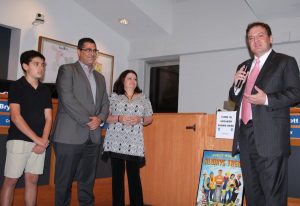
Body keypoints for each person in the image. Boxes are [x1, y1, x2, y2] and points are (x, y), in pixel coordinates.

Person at [229, 22, 300, 206]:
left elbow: (296, 93)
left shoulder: (285, 62)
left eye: (260, 35)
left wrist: (267, 99)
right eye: (251, 38)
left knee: (273, 196)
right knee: (252, 194)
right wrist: (236, 85)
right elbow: (235, 98)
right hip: (245, 137)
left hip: (271, 139)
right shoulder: (243, 66)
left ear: (270, 38)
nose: (255, 40)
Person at [51, 38, 109, 206]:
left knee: (87, 182)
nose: (91, 53)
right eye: (87, 49)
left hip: (93, 137)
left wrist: (100, 118)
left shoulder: (100, 77)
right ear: (78, 51)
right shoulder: (67, 70)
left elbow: (105, 102)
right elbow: (67, 98)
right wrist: (88, 120)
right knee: (64, 182)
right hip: (69, 136)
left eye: (94, 50)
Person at [0, 50, 52, 206]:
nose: (41, 68)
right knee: (11, 180)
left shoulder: (45, 90)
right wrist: (39, 140)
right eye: (36, 64)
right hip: (19, 140)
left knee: (33, 180)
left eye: (43, 64)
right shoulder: (17, 86)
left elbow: (49, 117)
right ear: (25, 66)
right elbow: (16, 117)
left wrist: (43, 141)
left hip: (39, 142)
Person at [102, 69, 153, 206]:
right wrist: (119, 118)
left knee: (134, 177)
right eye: (129, 78)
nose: (133, 81)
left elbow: (149, 118)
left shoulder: (143, 97)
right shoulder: (114, 96)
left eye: (135, 79)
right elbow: (105, 117)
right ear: (123, 80)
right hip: (116, 141)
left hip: (134, 143)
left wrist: (139, 119)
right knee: (117, 178)